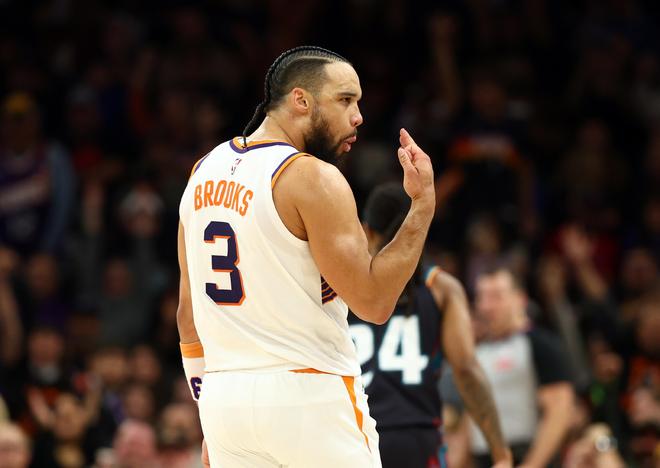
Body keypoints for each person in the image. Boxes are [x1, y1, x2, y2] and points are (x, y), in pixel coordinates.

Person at [176, 46, 435, 467]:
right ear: (301, 100)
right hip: (310, 396)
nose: (358, 117)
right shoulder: (312, 177)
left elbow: (188, 315)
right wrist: (422, 206)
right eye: (345, 100)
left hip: (226, 401)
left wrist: (210, 409)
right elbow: (373, 302)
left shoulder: (203, 170)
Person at [350, 183, 511, 468]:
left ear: (367, 230)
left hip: (354, 439)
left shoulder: (342, 285)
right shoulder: (441, 288)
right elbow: (466, 370)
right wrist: (500, 452)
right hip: (417, 439)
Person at [444, 267, 575, 467]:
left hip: (524, 454)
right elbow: (470, 418)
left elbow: (559, 412)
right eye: (482, 297)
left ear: (520, 299)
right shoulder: (477, 352)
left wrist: (530, 465)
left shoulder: (540, 344)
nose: (486, 306)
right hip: (483, 458)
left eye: (496, 296)